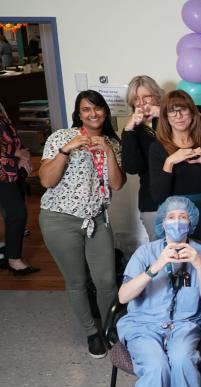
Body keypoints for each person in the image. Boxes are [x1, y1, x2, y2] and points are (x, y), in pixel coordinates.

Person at [117, 196, 201, 387]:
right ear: (162, 223)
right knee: (156, 367)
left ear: (190, 223)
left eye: (182, 217)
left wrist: (199, 266)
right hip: (144, 325)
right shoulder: (146, 253)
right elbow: (123, 296)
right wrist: (156, 267)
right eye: (171, 217)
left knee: (183, 360)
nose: (176, 222)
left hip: (184, 327)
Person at [39, 90, 125, 357]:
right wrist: (67, 149)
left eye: (97, 109)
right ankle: (92, 333)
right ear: (78, 113)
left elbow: (117, 184)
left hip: (97, 219)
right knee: (76, 281)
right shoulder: (61, 137)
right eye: (86, 109)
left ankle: (110, 328)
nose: (93, 114)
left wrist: (109, 152)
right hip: (59, 219)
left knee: (107, 281)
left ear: (105, 112)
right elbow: (46, 181)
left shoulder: (113, 142)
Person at [149, 90, 201, 259]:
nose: (178, 115)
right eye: (172, 111)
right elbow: (158, 196)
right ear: (165, 117)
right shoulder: (157, 148)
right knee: (177, 266)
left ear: (192, 113)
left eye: (183, 109)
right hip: (175, 218)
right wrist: (170, 162)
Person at [122, 75, 164, 240]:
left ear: (156, 97)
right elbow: (133, 168)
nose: (141, 103)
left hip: (181, 195)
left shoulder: (173, 117)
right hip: (151, 201)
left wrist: (164, 115)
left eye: (146, 96)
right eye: (136, 99)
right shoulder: (132, 130)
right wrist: (129, 131)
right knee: (160, 253)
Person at [0, 101, 38, 275]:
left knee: (14, 211)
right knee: (17, 213)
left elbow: (10, 134)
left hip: (11, 166)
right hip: (2, 170)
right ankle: (13, 260)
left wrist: (24, 152)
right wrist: (18, 153)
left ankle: (9, 254)